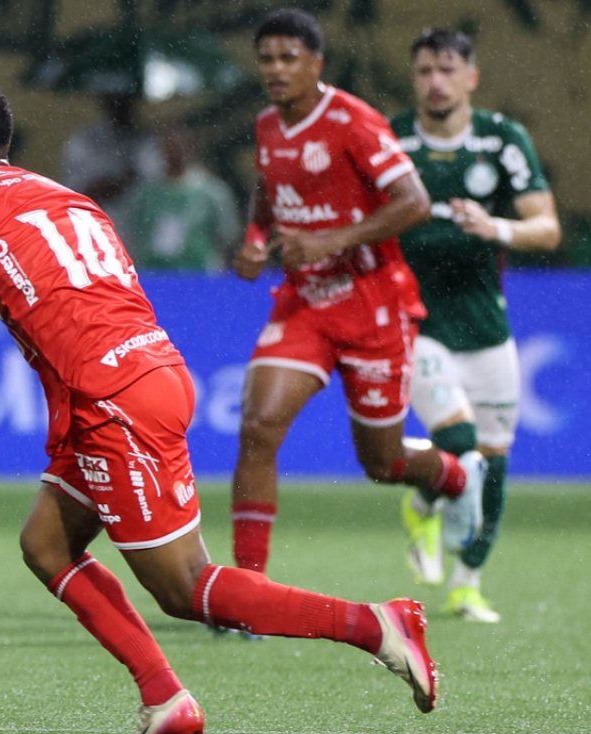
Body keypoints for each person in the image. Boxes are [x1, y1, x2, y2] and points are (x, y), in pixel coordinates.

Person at [0, 79, 437, 734]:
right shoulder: (69, 197)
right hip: (150, 368)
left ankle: (375, 624)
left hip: (111, 400)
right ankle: (165, 699)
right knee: (46, 543)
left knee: (185, 588)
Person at [229, 8, 485, 580]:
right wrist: (254, 240)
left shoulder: (353, 120)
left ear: (316, 63)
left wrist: (331, 240)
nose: (275, 68)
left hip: (374, 304)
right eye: (266, 58)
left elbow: (414, 202)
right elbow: (267, 190)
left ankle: (455, 476)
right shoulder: (269, 125)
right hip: (306, 305)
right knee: (258, 426)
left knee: (383, 462)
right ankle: (246, 587)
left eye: (288, 57)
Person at [391, 28, 561, 622]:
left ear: (471, 77)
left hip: (487, 327)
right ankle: (423, 497)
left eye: (446, 69)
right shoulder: (390, 141)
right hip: (418, 323)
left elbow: (547, 226)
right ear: (414, 78)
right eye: (424, 71)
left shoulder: (501, 140)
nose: (435, 81)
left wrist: (498, 227)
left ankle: (467, 583)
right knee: (460, 442)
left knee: (495, 461)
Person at [121, 125, 241, 272]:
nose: (175, 151)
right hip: (152, 277)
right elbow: (128, 233)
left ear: (191, 148)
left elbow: (228, 236)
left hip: (200, 277)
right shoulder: (145, 194)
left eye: (180, 146)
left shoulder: (211, 192)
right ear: (161, 149)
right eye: (170, 145)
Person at [60, 91, 163, 230]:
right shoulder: (85, 140)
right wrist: (115, 183)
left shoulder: (147, 141)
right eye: (114, 101)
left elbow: (155, 186)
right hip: (93, 227)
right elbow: (76, 193)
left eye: (125, 102)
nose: (120, 107)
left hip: (137, 230)